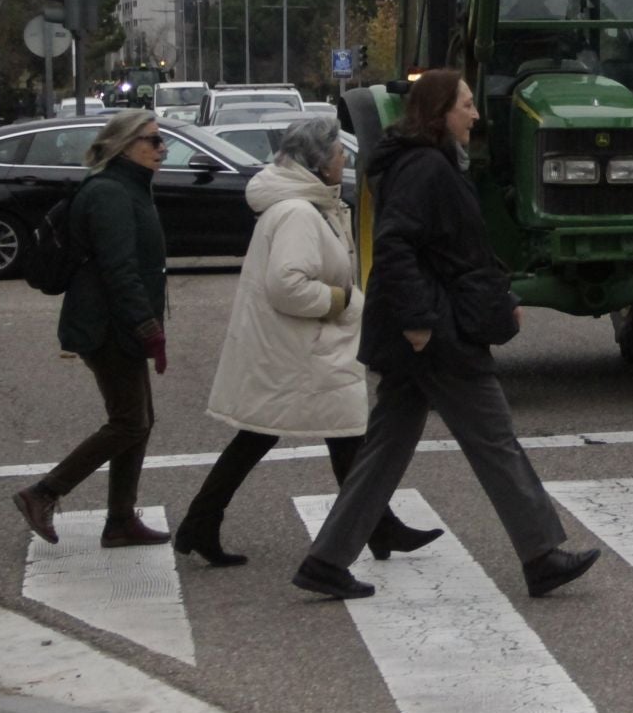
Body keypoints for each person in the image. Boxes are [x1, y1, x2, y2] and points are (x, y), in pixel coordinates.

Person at [292, 70, 599, 599]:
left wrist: (500, 300)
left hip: (426, 330)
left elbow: (458, 250)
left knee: (386, 449)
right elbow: (395, 246)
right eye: (466, 105)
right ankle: (542, 554)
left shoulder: (429, 164)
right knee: (495, 440)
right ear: (439, 112)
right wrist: (418, 322)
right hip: (436, 334)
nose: (476, 115)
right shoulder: (425, 168)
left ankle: (326, 560)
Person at [174, 117, 442, 567]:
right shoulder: (298, 212)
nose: (344, 160)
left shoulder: (306, 204)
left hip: (296, 347)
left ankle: (202, 523)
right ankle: (376, 527)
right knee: (335, 432)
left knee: (295, 435)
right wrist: (342, 301)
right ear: (318, 162)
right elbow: (288, 286)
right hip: (301, 348)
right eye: (339, 153)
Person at [12, 111, 173, 548]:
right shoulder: (110, 194)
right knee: (129, 422)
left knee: (139, 420)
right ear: (125, 145)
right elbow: (118, 269)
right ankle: (42, 493)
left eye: (161, 141)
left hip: (117, 322)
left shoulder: (129, 187)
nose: (162, 149)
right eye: (153, 141)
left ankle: (120, 521)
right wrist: (147, 326)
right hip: (107, 325)